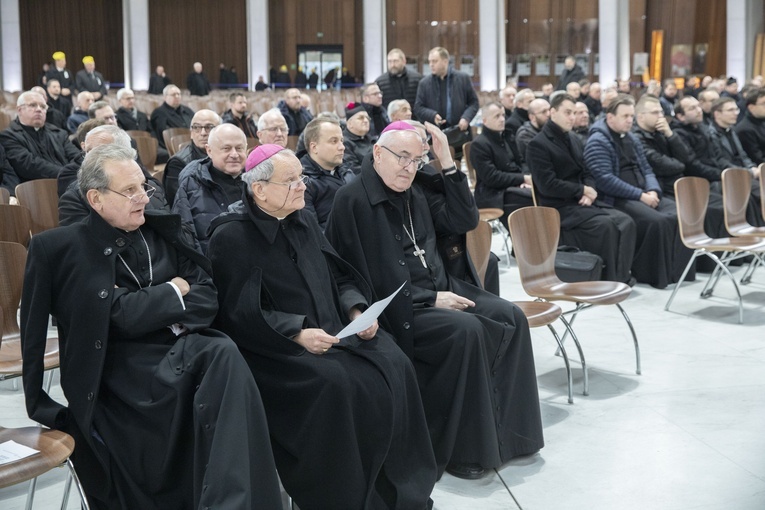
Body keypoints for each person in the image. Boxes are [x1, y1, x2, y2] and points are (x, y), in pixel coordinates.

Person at [21, 143, 282, 509]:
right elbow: (108, 318)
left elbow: (207, 295)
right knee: (223, 357)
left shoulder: (162, 230)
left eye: (143, 186)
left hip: (180, 353)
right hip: (120, 374)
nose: (142, 197)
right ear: (95, 198)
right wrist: (174, 290)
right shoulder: (59, 248)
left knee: (223, 354)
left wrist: (150, 305)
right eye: (129, 191)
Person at [206, 144, 437, 508]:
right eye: (292, 181)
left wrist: (356, 311)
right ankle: (350, 498)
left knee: (396, 363)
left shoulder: (304, 220)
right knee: (339, 387)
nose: (303, 186)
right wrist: (297, 332)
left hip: (336, 331)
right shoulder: (230, 236)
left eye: (301, 177)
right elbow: (239, 314)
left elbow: (338, 275)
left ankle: (402, 490)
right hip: (279, 351)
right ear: (260, 189)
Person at [325, 121, 544, 480]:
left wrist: (447, 164)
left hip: (444, 288)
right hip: (401, 307)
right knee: (466, 332)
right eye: (402, 158)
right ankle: (464, 452)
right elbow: (340, 271)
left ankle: (514, 438)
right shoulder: (351, 200)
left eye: (417, 159)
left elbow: (465, 218)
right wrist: (429, 297)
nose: (409, 167)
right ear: (378, 153)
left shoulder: (417, 189)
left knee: (511, 316)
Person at [584, 94, 692, 288]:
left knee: (681, 213)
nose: (629, 120)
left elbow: (647, 168)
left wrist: (653, 190)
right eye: (625, 116)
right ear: (610, 118)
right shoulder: (597, 141)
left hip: (643, 192)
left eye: (631, 116)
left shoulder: (631, 138)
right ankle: (652, 275)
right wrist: (640, 195)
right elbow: (605, 180)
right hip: (616, 198)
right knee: (657, 221)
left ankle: (678, 271)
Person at [526, 93, 636, 283]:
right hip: (558, 206)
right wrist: (581, 190)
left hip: (580, 201)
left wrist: (589, 191)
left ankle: (620, 278)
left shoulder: (574, 138)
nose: (572, 117)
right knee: (606, 226)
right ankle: (605, 280)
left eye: (574, 113)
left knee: (626, 221)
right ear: (552, 112)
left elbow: (587, 171)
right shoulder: (538, 144)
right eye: (567, 112)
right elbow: (547, 185)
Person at [173, 124, 246, 252]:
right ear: (209, 151)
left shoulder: (256, 181)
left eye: (239, 148)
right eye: (226, 148)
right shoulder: (191, 184)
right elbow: (185, 239)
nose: (234, 154)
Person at [469, 102, 532, 226]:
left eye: (503, 115)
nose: (502, 119)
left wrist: (525, 179)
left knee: (539, 192)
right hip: (493, 193)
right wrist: (522, 178)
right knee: (531, 199)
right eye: (497, 116)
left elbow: (522, 161)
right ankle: (524, 240)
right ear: (485, 121)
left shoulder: (508, 136)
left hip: (513, 186)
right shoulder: (479, 144)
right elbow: (492, 178)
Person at [0, 91, 81, 188]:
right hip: (35, 189)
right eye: (33, 105)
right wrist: (67, 173)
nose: (39, 109)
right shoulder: (8, 136)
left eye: (43, 107)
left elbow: (76, 156)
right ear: (19, 110)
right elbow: (30, 165)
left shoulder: (59, 133)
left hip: (70, 184)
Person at [415, 46, 479, 158]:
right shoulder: (424, 83)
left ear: (445, 61)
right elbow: (418, 107)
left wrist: (466, 118)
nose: (431, 64)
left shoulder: (462, 78)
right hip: (436, 135)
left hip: (459, 133)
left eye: (434, 61)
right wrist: (432, 115)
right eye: (429, 61)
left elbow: (474, 102)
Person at [301, 118, 354, 229]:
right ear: (314, 147)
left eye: (341, 140)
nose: (342, 147)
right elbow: (314, 233)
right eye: (334, 141)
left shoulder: (347, 172)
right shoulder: (303, 183)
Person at [632, 95, 691, 196]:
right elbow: (661, 165)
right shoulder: (636, 137)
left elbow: (685, 156)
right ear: (640, 117)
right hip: (662, 189)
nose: (660, 116)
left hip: (678, 183)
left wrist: (670, 134)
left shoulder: (661, 131)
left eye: (661, 112)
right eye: (655, 112)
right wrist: (682, 165)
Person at [163, 109, 220, 206]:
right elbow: (179, 204)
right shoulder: (178, 163)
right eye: (197, 127)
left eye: (209, 127)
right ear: (191, 133)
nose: (202, 133)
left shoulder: (224, 155)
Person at [375, 48, 423, 116]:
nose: (392, 65)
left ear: (404, 61)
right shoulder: (380, 82)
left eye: (395, 61)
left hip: (413, 119)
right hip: (389, 121)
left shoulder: (417, 79)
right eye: (389, 61)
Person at [150, 84, 195, 152]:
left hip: (192, 144)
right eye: (173, 94)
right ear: (165, 97)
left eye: (178, 94)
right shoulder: (159, 113)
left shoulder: (187, 110)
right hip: (173, 147)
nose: (177, 96)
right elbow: (162, 136)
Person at [515, 98, 551, 167]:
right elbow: (541, 158)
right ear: (532, 117)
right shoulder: (524, 134)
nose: (548, 114)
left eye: (549, 110)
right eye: (544, 112)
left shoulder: (548, 128)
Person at [734, 87, 765, 164]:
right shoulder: (745, 129)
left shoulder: (761, 121)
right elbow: (757, 158)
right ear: (751, 107)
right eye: (764, 104)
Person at [341, 102, 373, 175]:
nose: (365, 121)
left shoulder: (371, 139)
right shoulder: (344, 143)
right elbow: (354, 169)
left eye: (367, 118)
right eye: (361, 118)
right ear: (350, 123)